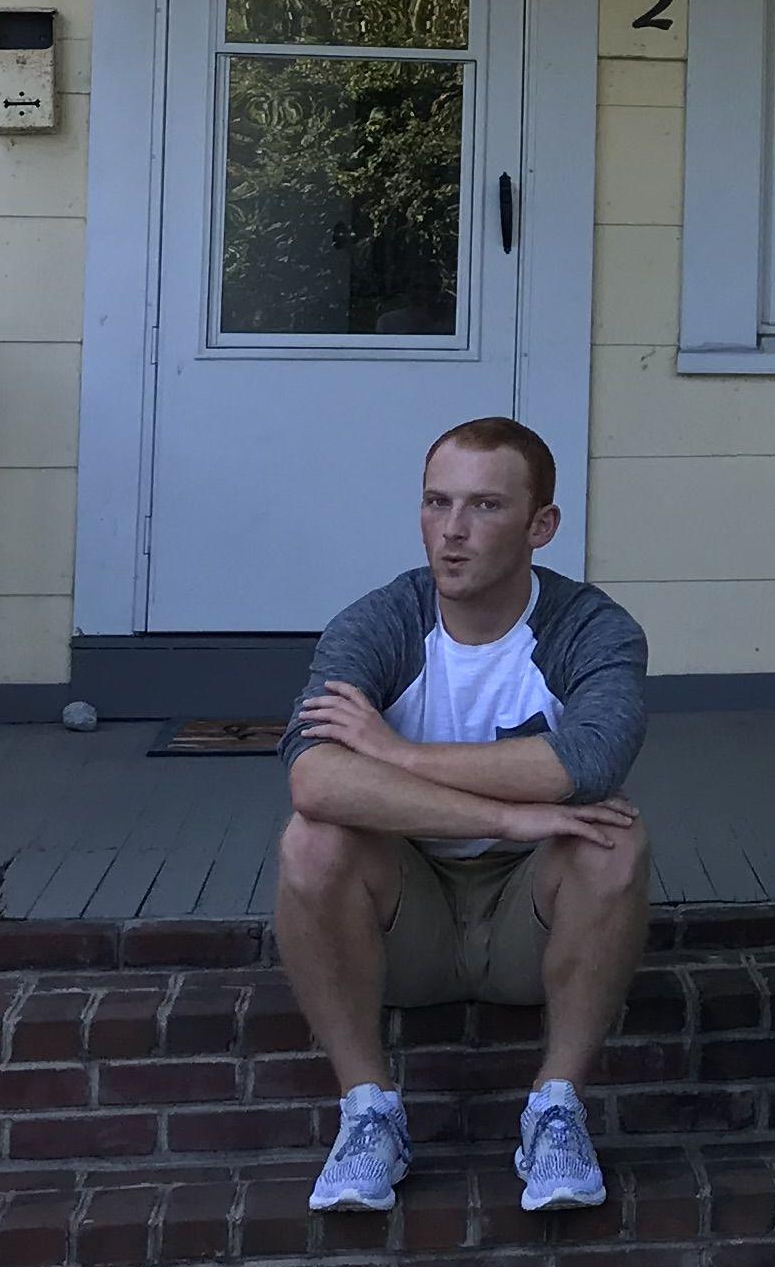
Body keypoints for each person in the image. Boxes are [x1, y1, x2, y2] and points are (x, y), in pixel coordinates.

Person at [276, 417, 653, 1219]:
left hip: (532, 920)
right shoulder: (379, 622)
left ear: (539, 525)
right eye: (435, 502)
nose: (451, 532)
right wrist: (507, 815)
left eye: (484, 506)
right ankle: (368, 1113)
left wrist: (396, 754)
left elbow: (586, 764)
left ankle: (556, 1110)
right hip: (402, 916)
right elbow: (312, 777)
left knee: (613, 839)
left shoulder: (592, 629)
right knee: (312, 841)